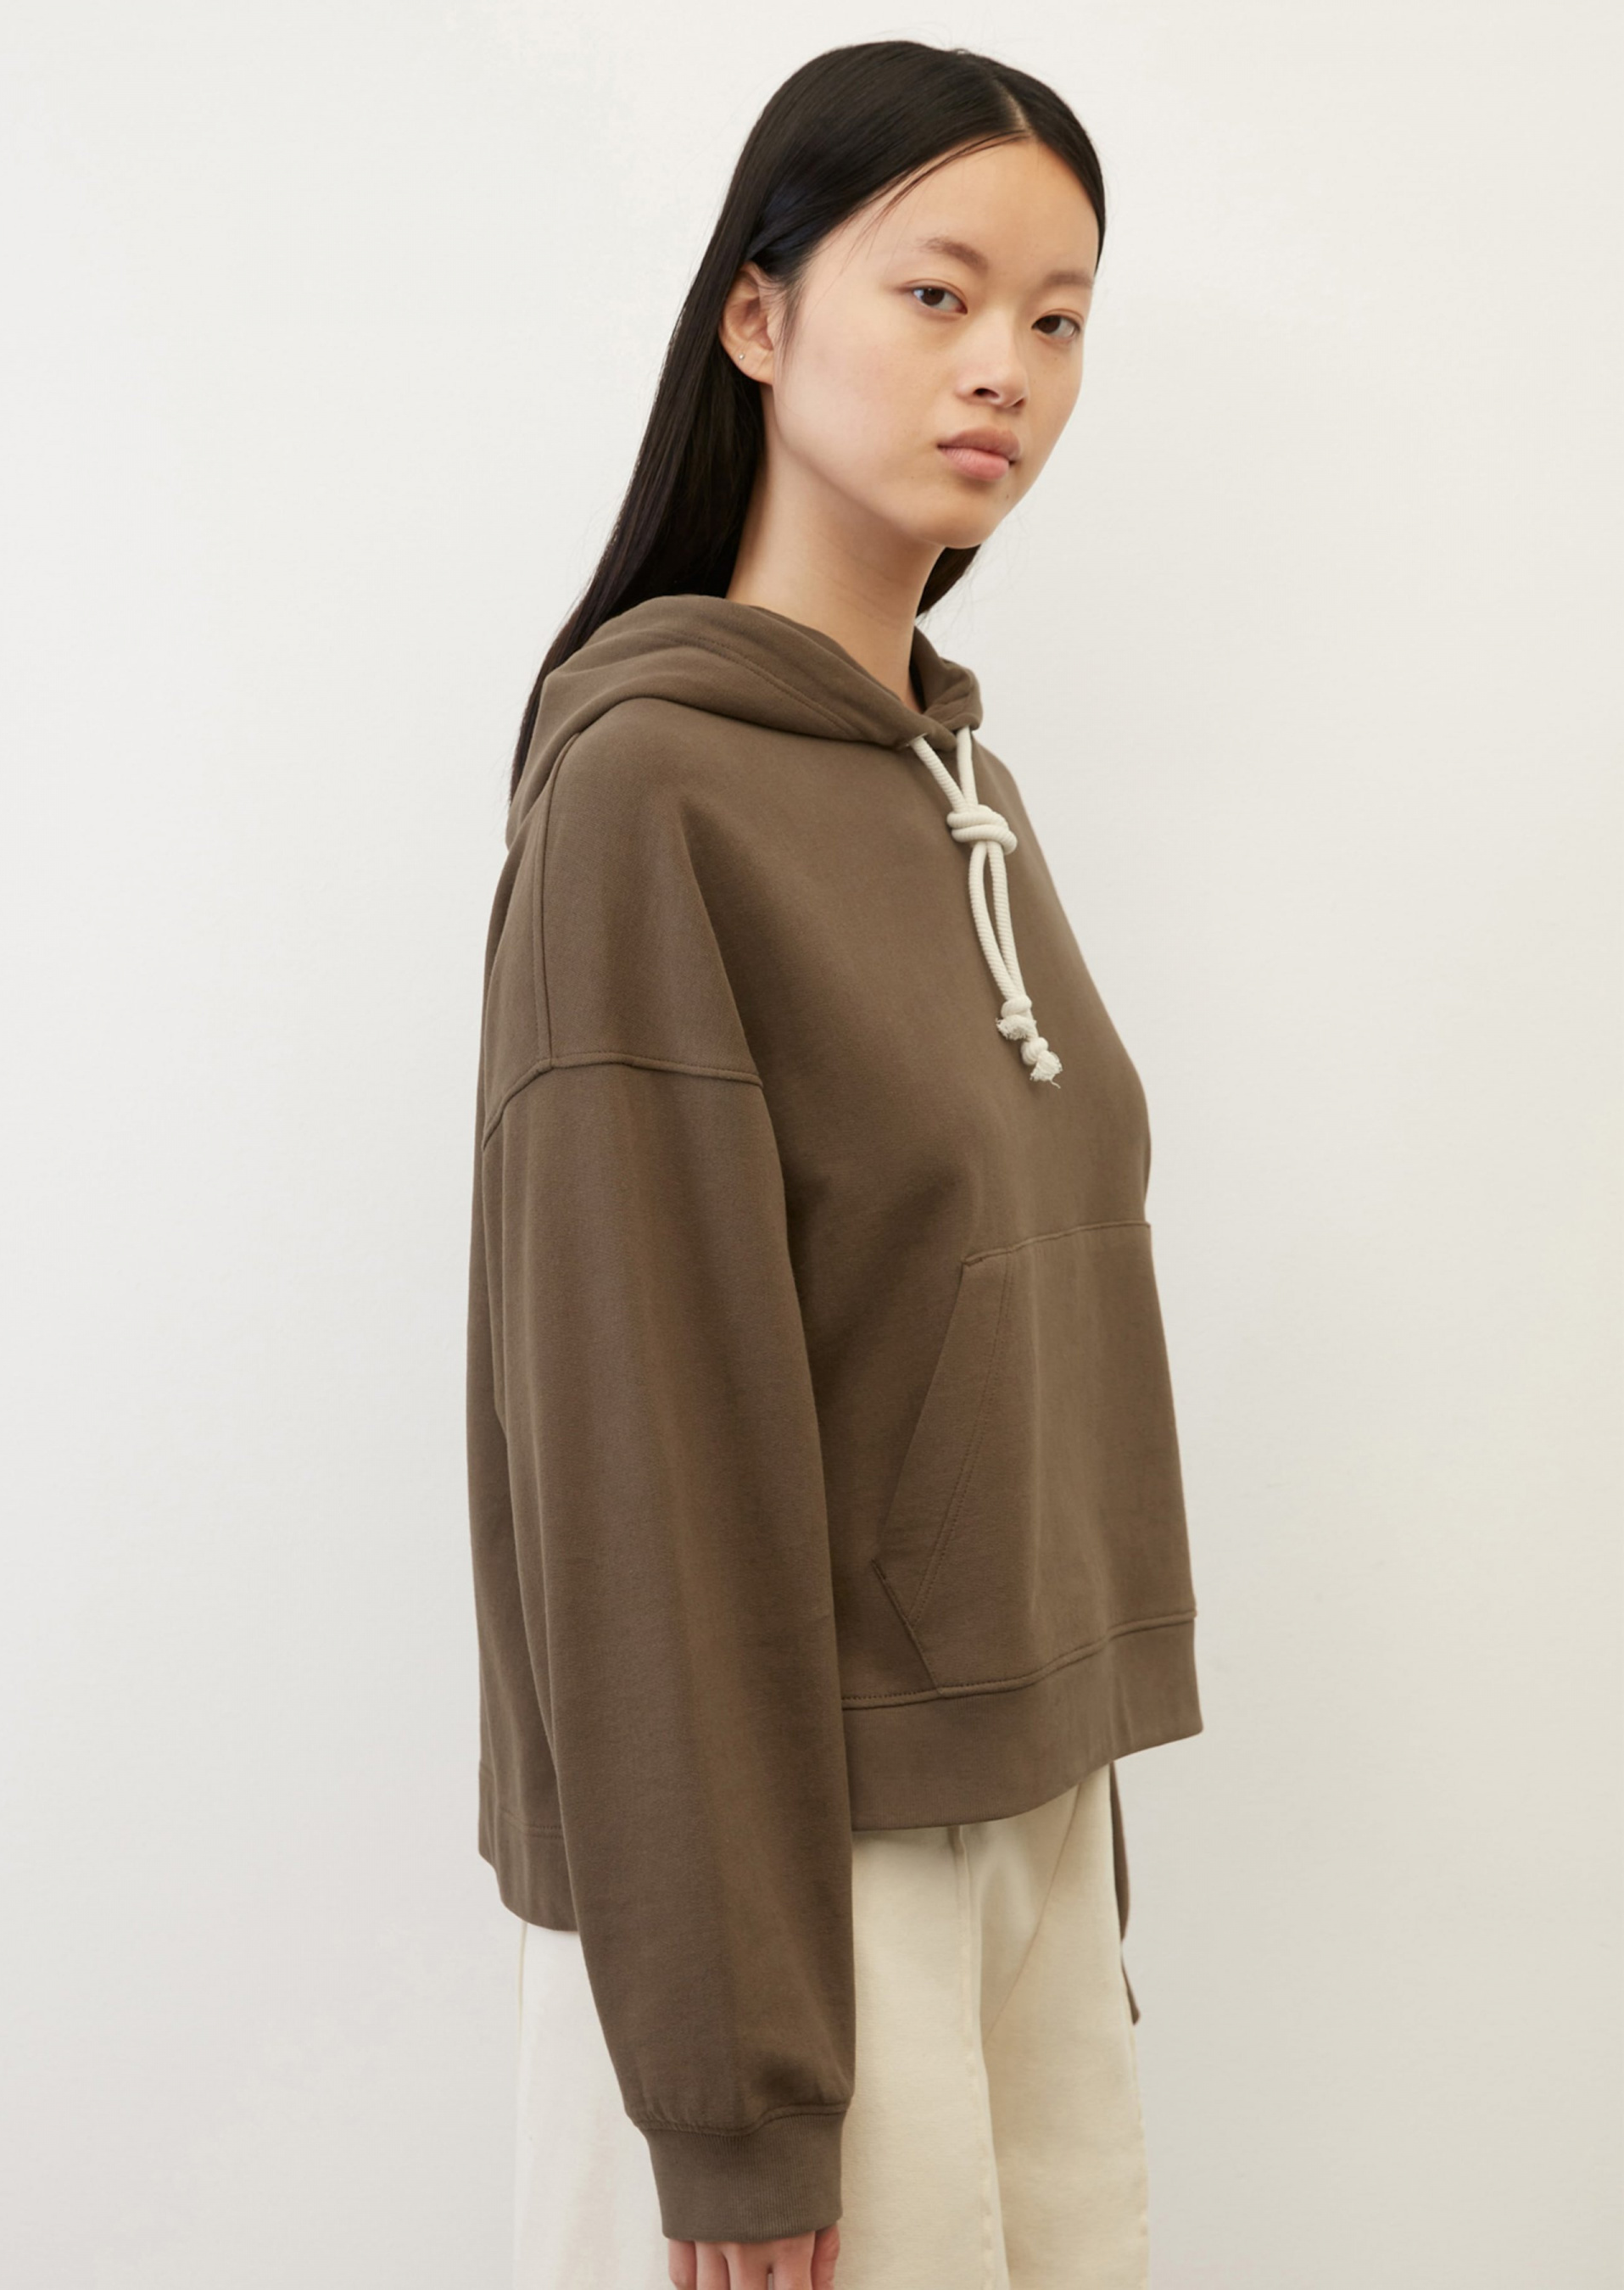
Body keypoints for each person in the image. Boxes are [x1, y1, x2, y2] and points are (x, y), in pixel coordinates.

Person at [466, 38, 1204, 2290]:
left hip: (1023, 1844)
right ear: (758, 317)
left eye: (1058, 318)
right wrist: (736, 2090)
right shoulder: (647, 798)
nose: (1006, 370)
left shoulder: (961, 789)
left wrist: (1065, 1868)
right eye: (939, 293)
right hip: (798, 1894)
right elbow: (644, 1473)